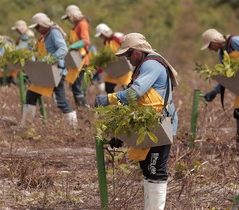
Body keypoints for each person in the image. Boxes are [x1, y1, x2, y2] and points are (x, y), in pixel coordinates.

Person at [94, 33, 178, 210]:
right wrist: (122, 134)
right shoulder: (142, 65)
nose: (128, 58)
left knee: (156, 170)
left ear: (139, 51)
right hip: (147, 124)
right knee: (147, 169)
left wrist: (107, 99)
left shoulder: (151, 64)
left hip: (159, 124)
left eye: (129, 54)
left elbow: (133, 95)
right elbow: (137, 104)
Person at [201, 29, 239, 144]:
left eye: (209, 45)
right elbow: (228, 77)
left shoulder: (235, 41)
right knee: (238, 114)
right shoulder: (222, 56)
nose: (210, 49)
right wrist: (215, 91)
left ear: (215, 40)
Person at [20, 12, 77, 128]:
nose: (36, 29)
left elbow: (63, 49)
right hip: (46, 72)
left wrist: (49, 58)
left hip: (55, 72)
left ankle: (73, 127)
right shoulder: (45, 35)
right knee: (32, 95)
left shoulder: (54, 33)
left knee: (60, 101)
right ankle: (25, 126)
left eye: (37, 26)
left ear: (43, 24)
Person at [61, 4, 90, 107]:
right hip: (75, 58)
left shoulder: (82, 24)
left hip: (81, 59)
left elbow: (86, 41)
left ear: (72, 15)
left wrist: (73, 46)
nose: (69, 20)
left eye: (69, 17)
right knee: (74, 85)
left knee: (77, 86)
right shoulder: (76, 26)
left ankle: (84, 109)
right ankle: (81, 109)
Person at [94, 23, 132, 93]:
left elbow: (128, 48)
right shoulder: (106, 42)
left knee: (127, 90)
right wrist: (99, 69)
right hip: (113, 70)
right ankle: (113, 102)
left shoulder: (118, 37)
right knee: (108, 87)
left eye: (101, 35)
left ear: (104, 33)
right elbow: (104, 57)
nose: (101, 37)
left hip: (124, 68)